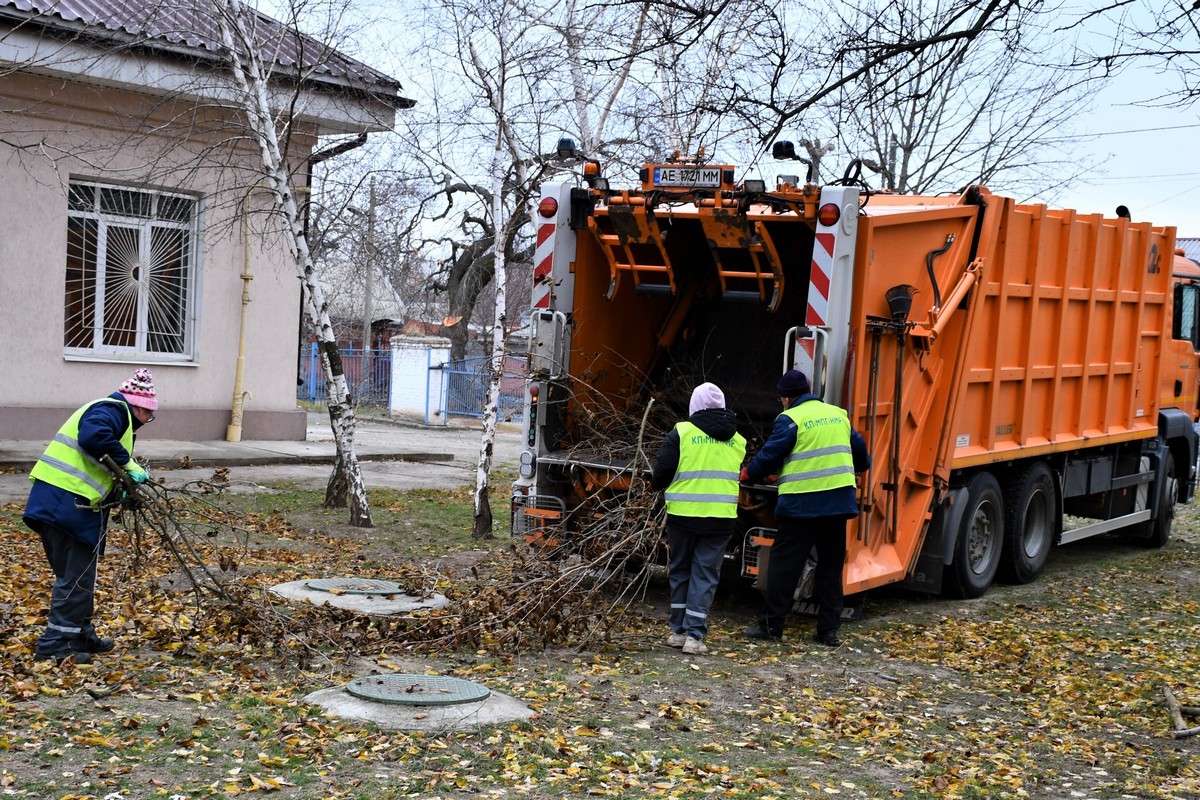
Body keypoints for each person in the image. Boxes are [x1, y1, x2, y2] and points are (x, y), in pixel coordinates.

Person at [24, 368, 158, 664]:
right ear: (139, 406)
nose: (149, 421)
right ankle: (55, 646)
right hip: (67, 504)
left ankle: (79, 635)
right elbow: (93, 437)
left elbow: (96, 460)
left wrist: (121, 489)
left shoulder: (112, 413)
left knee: (79, 575)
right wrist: (128, 465)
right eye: (150, 415)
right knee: (76, 577)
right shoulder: (113, 410)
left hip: (62, 503)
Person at [741, 369, 870, 647]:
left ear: (785, 398)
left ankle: (771, 626)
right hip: (837, 505)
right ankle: (828, 632)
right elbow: (862, 456)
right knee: (830, 568)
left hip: (802, 506)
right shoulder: (838, 415)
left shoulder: (790, 419)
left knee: (785, 566)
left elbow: (769, 456)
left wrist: (748, 474)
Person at [650, 382, 746, 655]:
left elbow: (662, 472)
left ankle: (678, 631)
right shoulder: (738, 440)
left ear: (694, 405)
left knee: (680, 571)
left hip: (683, 516)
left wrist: (655, 485)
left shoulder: (681, 433)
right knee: (705, 575)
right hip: (720, 519)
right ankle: (695, 637)